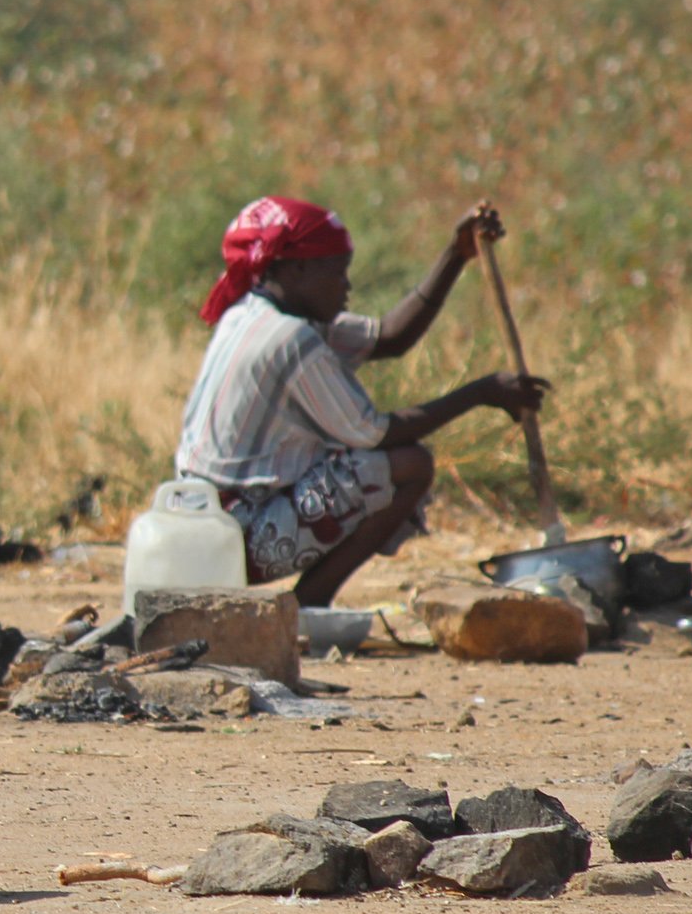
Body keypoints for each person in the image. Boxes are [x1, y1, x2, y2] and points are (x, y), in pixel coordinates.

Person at [174, 197, 550, 607]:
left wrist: (456, 255)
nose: (347, 285)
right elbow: (376, 434)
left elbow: (390, 336)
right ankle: (306, 606)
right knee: (408, 465)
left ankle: (305, 606)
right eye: (337, 272)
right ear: (297, 269)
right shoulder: (290, 339)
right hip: (241, 538)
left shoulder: (252, 311)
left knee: (366, 459)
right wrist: (481, 392)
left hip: (199, 528)